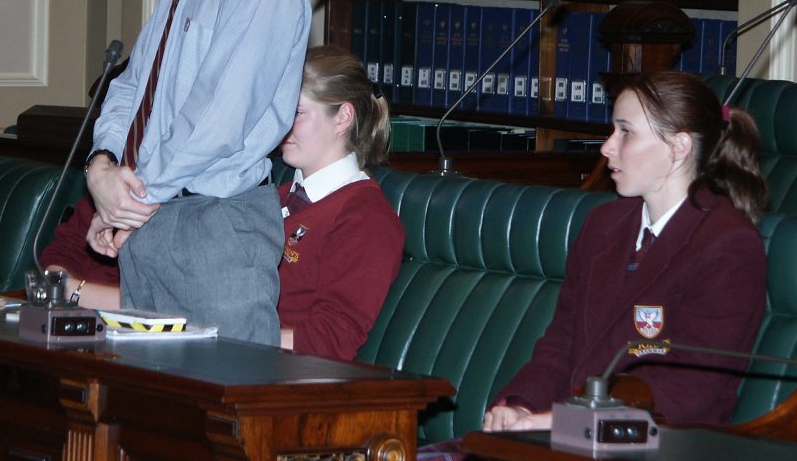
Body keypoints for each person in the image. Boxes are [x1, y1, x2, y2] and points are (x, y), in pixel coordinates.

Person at [420, 70, 768, 459]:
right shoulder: (605, 225)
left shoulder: (727, 246)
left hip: (659, 448)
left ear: (679, 146)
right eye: (611, 131)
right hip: (570, 441)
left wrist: (558, 422)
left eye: (626, 133)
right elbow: (561, 344)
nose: (607, 147)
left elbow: (685, 396)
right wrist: (518, 405)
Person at [82, 0, 311, 345]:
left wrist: (129, 199)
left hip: (215, 226)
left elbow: (219, 119)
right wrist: (104, 165)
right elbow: (137, 83)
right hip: (155, 212)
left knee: (227, 407)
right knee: (149, 412)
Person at [277, 45, 404, 361]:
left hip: (287, 384)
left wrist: (238, 335)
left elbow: (331, 339)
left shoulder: (364, 217)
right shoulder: (277, 196)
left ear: (343, 117)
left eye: (296, 113)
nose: (281, 124)